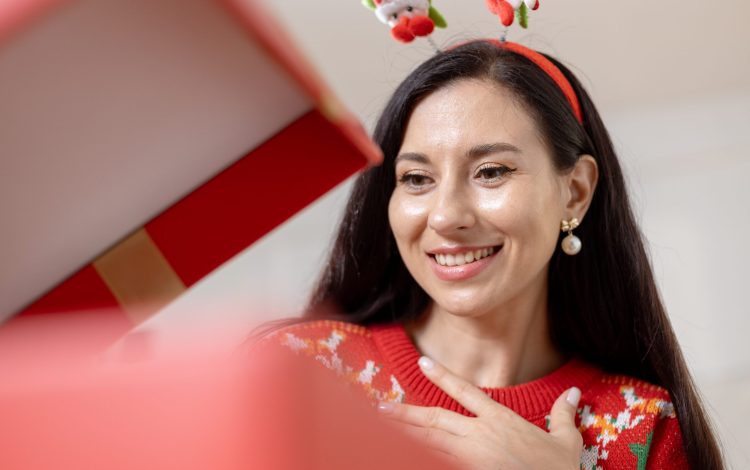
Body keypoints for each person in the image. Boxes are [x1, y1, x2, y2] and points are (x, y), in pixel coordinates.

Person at [255, 40, 724, 469]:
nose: (445, 217)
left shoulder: (645, 430)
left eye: (491, 171)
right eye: (417, 179)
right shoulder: (298, 374)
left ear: (575, 192)